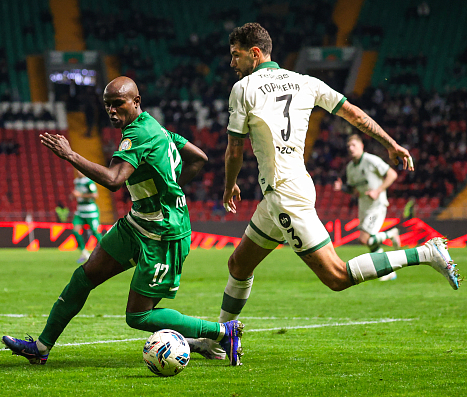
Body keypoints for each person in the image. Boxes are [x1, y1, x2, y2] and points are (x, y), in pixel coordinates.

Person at [187, 23, 461, 360]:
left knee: (337, 276)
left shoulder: (243, 89)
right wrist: (390, 143)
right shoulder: (306, 82)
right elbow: (353, 113)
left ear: (254, 54)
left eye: (236, 55)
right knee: (239, 265)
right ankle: (220, 340)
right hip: (289, 189)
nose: (232, 63)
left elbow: (234, 150)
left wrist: (229, 184)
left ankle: (426, 253)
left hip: (284, 194)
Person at [2, 76, 245, 366]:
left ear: (136, 101)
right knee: (84, 277)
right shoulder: (153, 127)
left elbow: (114, 180)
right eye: (107, 105)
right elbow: (198, 158)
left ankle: (222, 332)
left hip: (163, 233)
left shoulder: (138, 133)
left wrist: (70, 155)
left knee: (138, 316)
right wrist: (169, 187)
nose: (112, 110)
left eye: (118, 103)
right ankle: (41, 348)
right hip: (138, 222)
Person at [334, 134, 401, 281]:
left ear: (361, 146)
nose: (351, 148)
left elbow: (392, 174)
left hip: (376, 206)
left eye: (354, 145)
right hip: (364, 207)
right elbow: (354, 190)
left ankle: (391, 234)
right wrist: (342, 188)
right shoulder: (350, 168)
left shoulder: (371, 160)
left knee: (364, 239)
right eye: (349, 146)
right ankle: (389, 272)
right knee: (369, 243)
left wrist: (378, 190)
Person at [71, 168, 103, 263]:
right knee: (75, 230)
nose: (79, 172)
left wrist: (80, 195)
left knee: (95, 232)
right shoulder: (76, 181)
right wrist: (73, 196)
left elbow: (95, 195)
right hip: (80, 210)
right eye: (77, 170)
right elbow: (77, 194)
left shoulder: (89, 182)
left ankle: (106, 252)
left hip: (90, 211)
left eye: (80, 170)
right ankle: (84, 253)